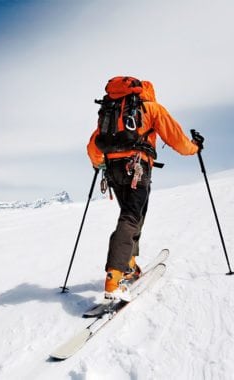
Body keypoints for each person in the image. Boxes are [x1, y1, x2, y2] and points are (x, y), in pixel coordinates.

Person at [87, 77, 201, 301]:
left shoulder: (112, 110)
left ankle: (129, 264)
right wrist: (194, 148)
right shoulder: (151, 108)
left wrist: (98, 163)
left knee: (132, 215)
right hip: (137, 168)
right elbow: (177, 139)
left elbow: (94, 143)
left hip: (113, 170)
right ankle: (114, 278)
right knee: (131, 217)